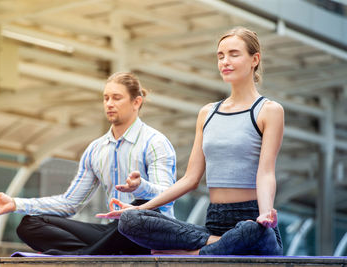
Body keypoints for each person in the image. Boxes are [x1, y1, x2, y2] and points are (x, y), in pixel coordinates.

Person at [97, 27, 284, 255]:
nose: (225, 61)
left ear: (255, 59)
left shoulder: (269, 111)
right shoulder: (208, 113)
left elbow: (266, 173)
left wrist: (265, 214)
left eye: (234, 54)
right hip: (213, 224)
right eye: (220, 56)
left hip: (252, 220)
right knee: (130, 220)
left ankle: (194, 255)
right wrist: (140, 208)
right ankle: (216, 246)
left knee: (251, 231)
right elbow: (190, 179)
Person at [0, 72, 177, 255]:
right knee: (30, 224)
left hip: (148, 232)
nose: (109, 104)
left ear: (136, 102)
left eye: (117, 98)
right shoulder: (96, 150)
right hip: (110, 233)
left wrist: (141, 187)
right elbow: (70, 204)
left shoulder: (155, 143)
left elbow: (167, 197)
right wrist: (15, 203)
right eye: (106, 98)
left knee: (138, 212)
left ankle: (81, 257)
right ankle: (90, 256)